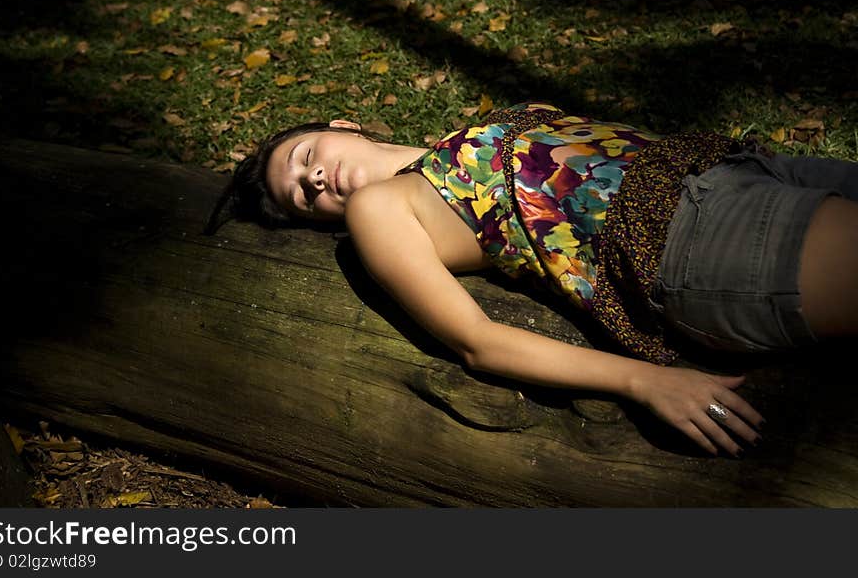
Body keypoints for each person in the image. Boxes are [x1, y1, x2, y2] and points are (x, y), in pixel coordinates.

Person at [204, 102, 858, 458]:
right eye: (303, 197)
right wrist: (645, 379)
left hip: (737, 172)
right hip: (695, 238)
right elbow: (477, 341)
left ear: (339, 124)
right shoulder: (382, 210)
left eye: (306, 158)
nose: (315, 181)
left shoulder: (451, 143)